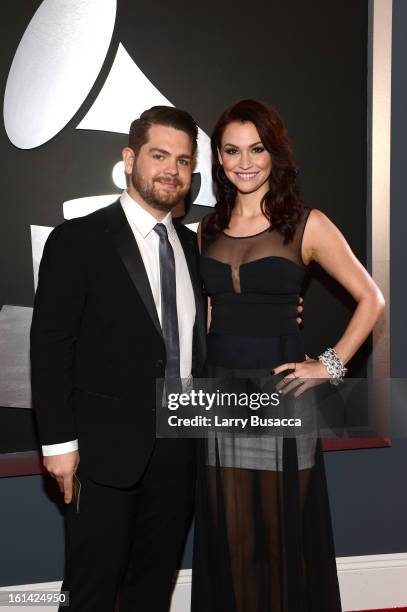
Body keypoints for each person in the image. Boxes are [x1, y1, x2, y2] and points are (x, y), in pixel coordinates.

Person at [191, 99, 385, 612]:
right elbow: (205, 315)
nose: (245, 161)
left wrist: (330, 365)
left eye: (256, 148)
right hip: (222, 397)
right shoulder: (205, 231)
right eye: (232, 150)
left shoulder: (306, 224)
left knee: (282, 540)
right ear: (218, 158)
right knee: (231, 538)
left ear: (274, 153)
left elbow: (372, 299)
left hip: (281, 396)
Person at [30, 106, 207, 612]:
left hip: (180, 450)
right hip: (102, 454)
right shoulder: (79, 239)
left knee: (152, 586)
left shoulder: (193, 249)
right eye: (158, 155)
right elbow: (50, 346)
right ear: (129, 159)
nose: (170, 170)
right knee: (88, 589)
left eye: (182, 160)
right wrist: (59, 445)